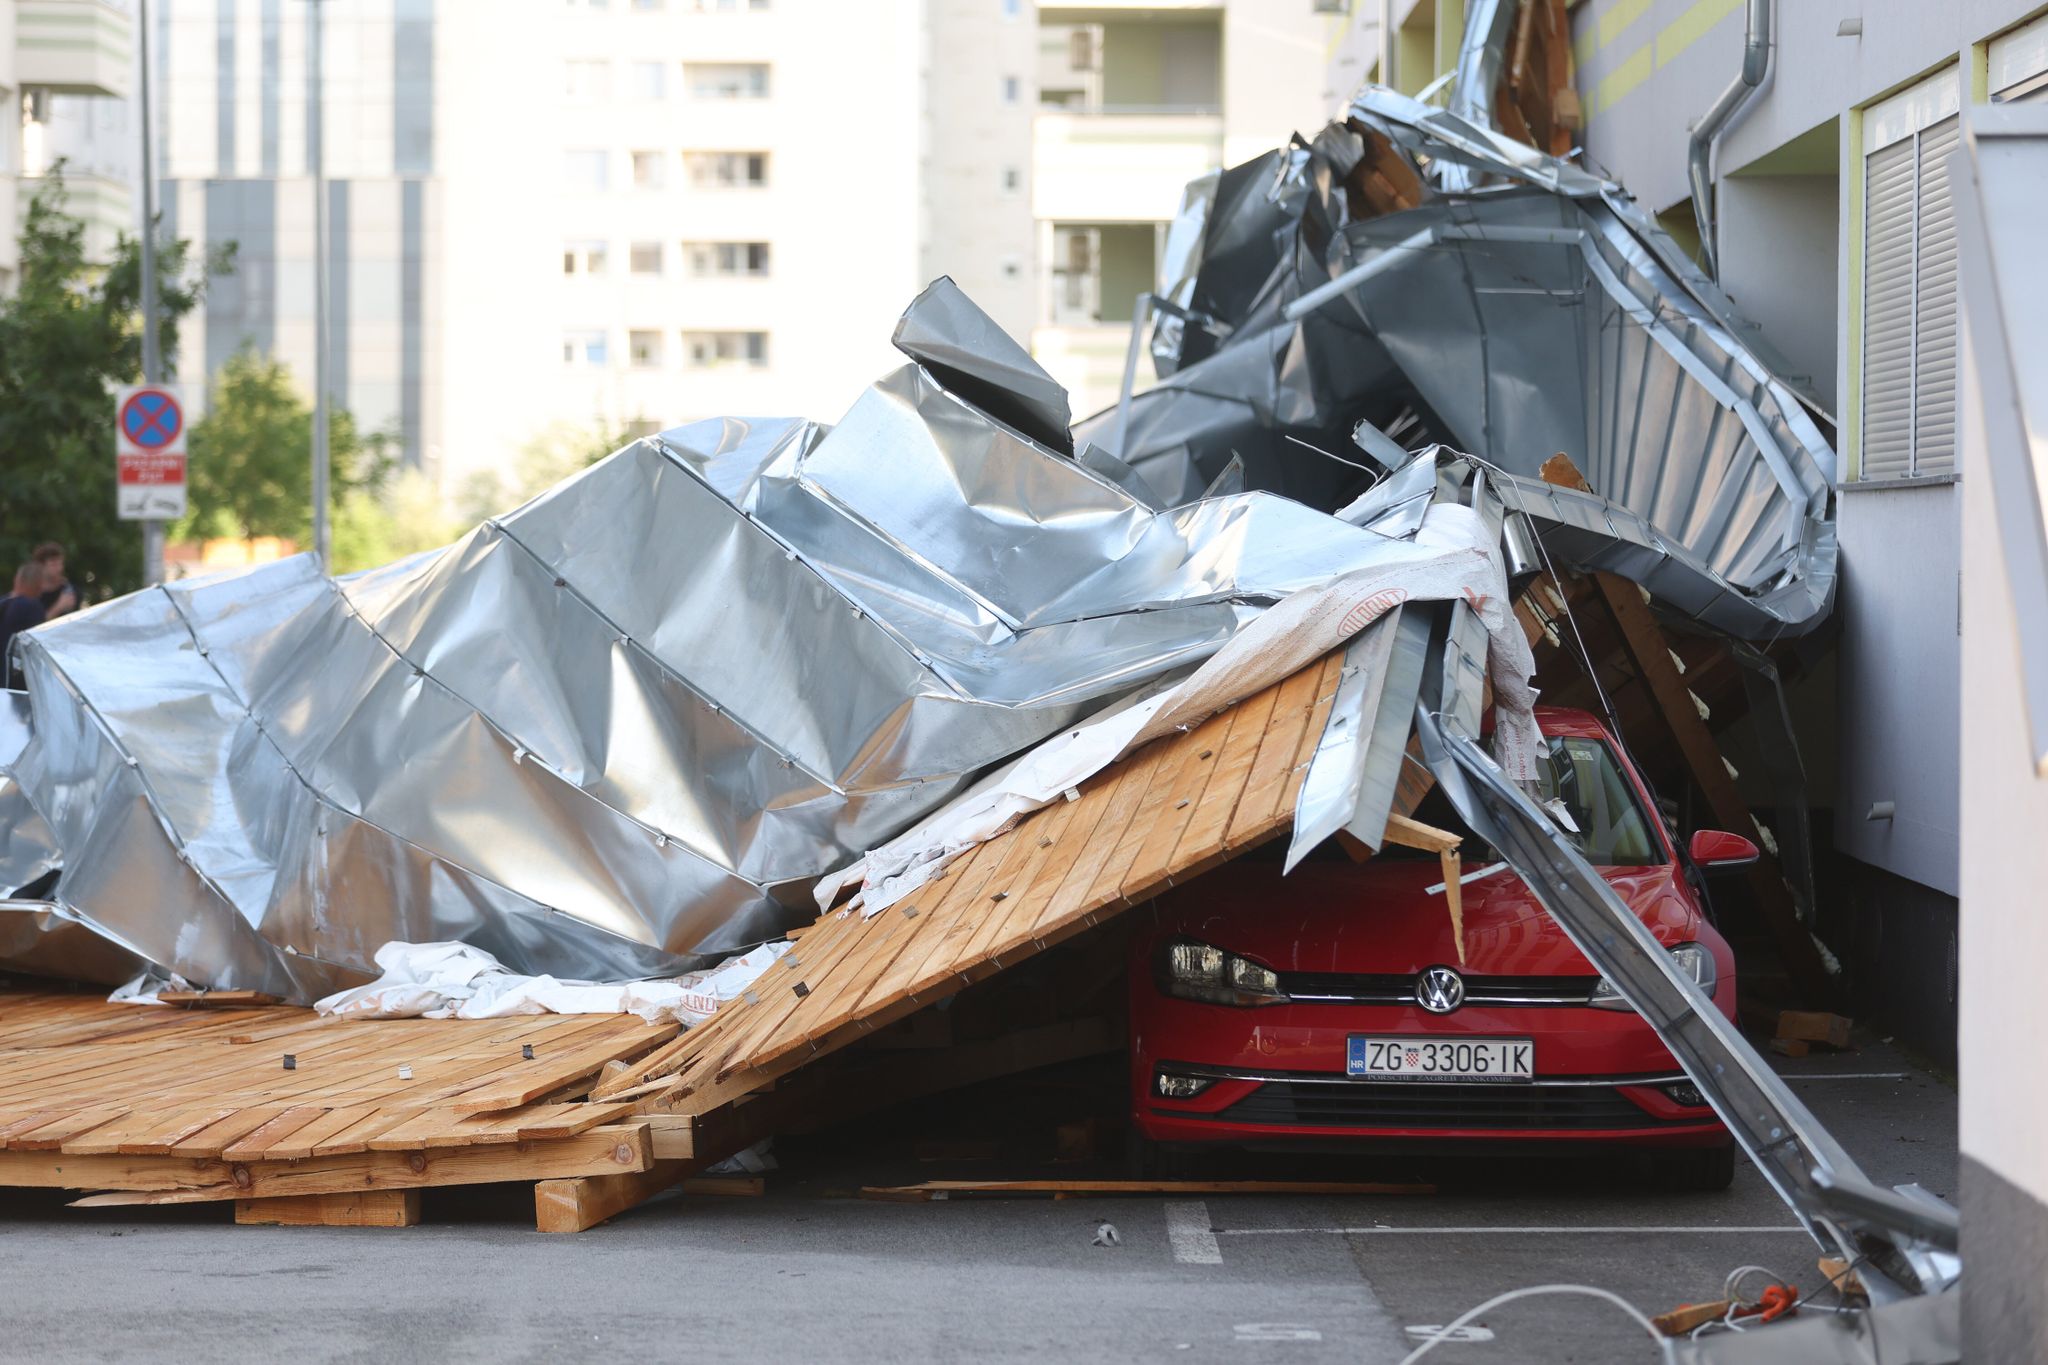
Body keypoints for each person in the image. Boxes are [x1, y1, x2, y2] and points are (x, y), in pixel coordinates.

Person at [1, 563, 50, 687]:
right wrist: (60, 606)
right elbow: (42, 635)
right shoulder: (32, 606)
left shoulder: (4, 603)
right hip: (14, 678)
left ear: (17, 580)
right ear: (38, 584)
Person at [31, 542, 76, 620]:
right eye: (53, 564)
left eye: (60, 563)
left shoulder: (68, 589)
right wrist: (58, 607)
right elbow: (35, 625)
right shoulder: (32, 595)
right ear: (41, 566)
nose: (59, 568)